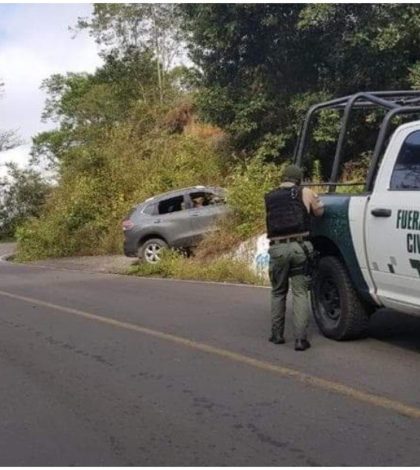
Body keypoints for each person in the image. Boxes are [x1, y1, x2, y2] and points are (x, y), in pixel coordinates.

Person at [265, 164, 324, 351]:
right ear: (298, 179)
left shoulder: (270, 196)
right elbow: (320, 212)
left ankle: (276, 335)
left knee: (278, 292)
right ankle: (300, 340)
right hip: (300, 248)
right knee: (300, 293)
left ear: (283, 178)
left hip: (277, 249)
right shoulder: (305, 192)